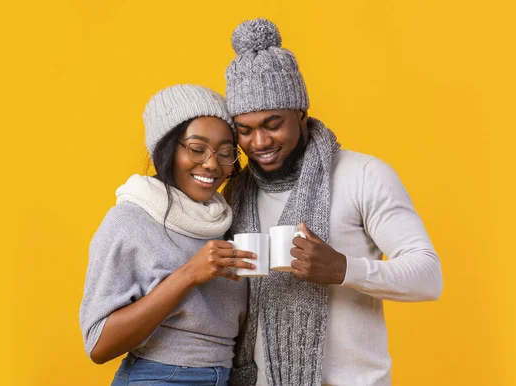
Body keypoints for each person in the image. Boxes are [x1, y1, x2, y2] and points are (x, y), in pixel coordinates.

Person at [223, 19, 444, 386]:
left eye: (273, 123)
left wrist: (342, 269)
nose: (259, 142)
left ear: (301, 115)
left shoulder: (363, 175)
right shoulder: (237, 193)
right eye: (245, 130)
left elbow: (428, 277)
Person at [79, 84, 257, 386]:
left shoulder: (223, 221)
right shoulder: (130, 220)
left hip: (224, 378)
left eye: (226, 153)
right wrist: (188, 274)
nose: (212, 164)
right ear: (167, 149)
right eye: (197, 149)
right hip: (159, 378)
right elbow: (98, 344)